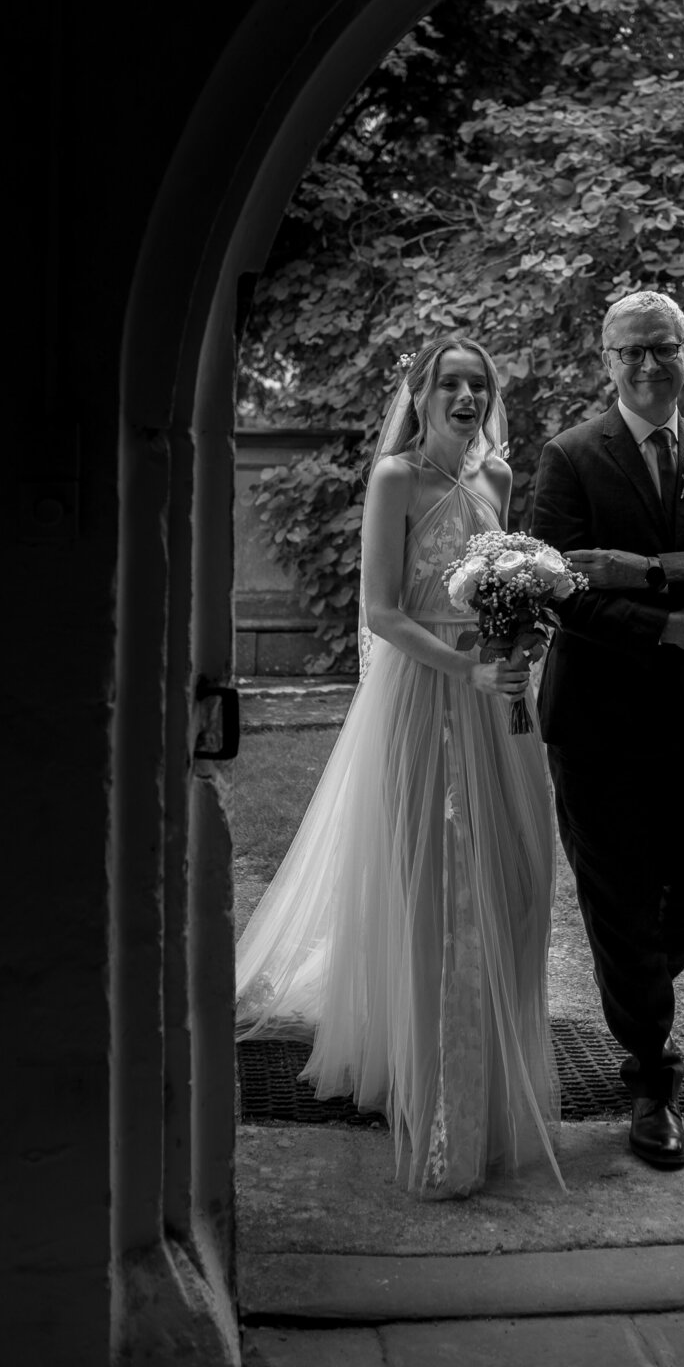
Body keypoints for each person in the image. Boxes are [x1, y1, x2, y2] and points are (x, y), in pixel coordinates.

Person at [236, 335, 563, 1199]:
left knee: (522, 882)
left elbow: (505, 596)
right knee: (444, 892)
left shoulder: (494, 480)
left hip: (504, 707)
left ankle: (494, 1067)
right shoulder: (395, 480)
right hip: (428, 699)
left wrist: (524, 640)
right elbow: (383, 612)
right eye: (448, 382)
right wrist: (468, 668)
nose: (464, 394)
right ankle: (443, 1083)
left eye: (478, 383)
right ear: (419, 395)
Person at [531, 290, 684, 1170]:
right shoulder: (569, 459)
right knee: (621, 902)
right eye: (630, 351)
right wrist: (667, 623)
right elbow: (558, 588)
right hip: (600, 726)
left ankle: (630, 987)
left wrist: (649, 570)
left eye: (662, 348)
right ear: (606, 361)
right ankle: (650, 1079)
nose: (647, 365)